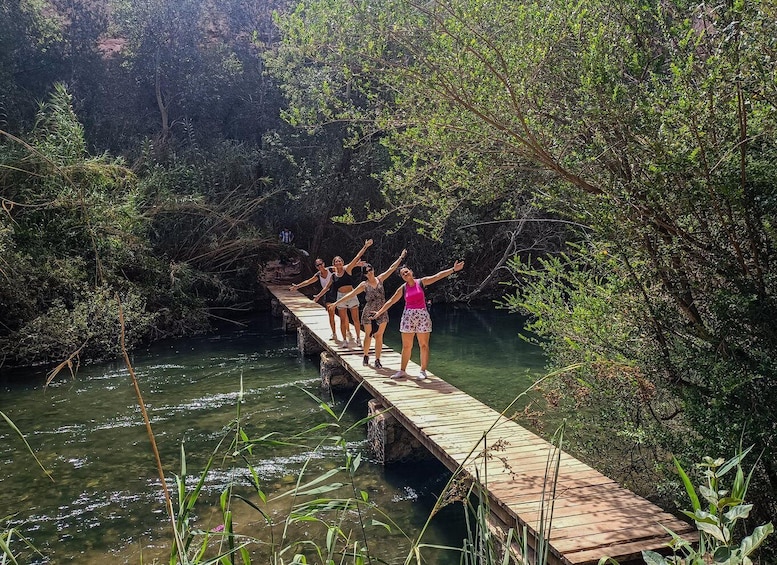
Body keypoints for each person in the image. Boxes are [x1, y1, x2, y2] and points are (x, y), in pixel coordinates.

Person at [370, 260, 465, 380]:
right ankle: (402, 371)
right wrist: (379, 313)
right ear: (402, 277)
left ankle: (423, 371)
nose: (405, 274)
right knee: (406, 346)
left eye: (406, 272)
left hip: (422, 316)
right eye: (403, 274)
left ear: (411, 272)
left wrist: (453, 269)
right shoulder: (403, 288)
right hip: (408, 317)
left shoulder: (420, 282)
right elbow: (391, 301)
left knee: (424, 345)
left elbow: (437, 276)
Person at [328, 248, 407, 368]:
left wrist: (401, 258)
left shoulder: (380, 279)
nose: (369, 272)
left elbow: (391, 268)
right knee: (368, 335)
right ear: (364, 274)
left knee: (379, 336)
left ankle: (377, 359)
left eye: (370, 270)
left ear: (373, 270)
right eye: (366, 271)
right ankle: (366, 355)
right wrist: (336, 303)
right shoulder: (363, 285)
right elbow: (351, 294)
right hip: (369, 311)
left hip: (382, 310)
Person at [315, 239, 373, 346]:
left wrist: (365, 246)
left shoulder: (348, 269)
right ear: (334, 264)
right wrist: (318, 296)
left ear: (342, 262)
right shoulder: (333, 275)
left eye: (339, 261)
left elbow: (356, 258)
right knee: (342, 320)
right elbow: (327, 288)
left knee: (355, 319)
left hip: (351, 295)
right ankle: (345, 340)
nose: (338, 262)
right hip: (341, 297)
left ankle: (358, 339)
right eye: (336, 261)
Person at [289, 259, 340, 340]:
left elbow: (343, 268)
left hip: (338, 292)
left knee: (343, 313)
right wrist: (297, 286)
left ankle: (347, 331)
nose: (320, 266)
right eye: (318, 265)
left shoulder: (331, 269)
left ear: (324, 263)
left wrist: (356, 264)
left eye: (321, 264)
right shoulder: (318, 275)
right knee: (331, 314)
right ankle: (334, 333)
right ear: (316, 267)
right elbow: (308, 281)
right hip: (328, 294)